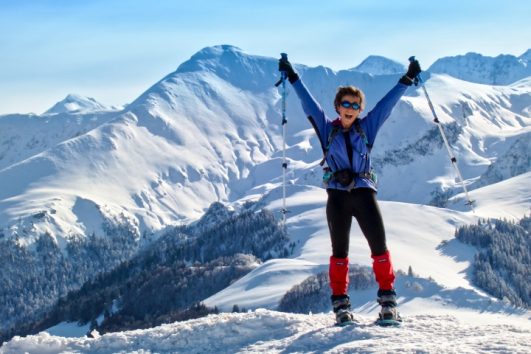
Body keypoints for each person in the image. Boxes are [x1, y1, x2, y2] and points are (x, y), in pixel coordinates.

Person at [278, 55, 421, 325]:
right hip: (338, 198)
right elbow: (308, 103)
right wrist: (292, 74)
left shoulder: (367, 128)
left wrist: (407, 78)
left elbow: (386, 106)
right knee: (340, 253)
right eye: (346, 104)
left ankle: (388, 303)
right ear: (337, 106)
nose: (351, 108)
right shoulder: (325, 128)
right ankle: (341, 308)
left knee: (379, 248)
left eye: (355, 105)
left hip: (365, 194)